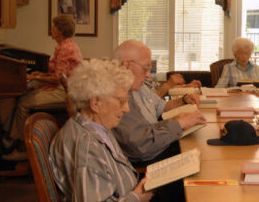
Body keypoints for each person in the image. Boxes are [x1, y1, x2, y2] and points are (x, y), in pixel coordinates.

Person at [111, 40, 206, 202]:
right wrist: (178, 123)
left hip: (154, 146)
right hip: (146, 160)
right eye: (146, 68)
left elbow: (159, 110)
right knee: (199, 172)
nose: (148, 74)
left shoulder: (137, 86)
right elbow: (139, 145)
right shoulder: (118, 95)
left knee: (199, 155)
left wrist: (181, 111)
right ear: (126, 65)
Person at [49, 59, 153, 202]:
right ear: (95, 103)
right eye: (121, 101)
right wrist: (136, 197)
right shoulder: (87, 149)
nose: (127, 109)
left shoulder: (96, 127)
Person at [2, 15, 83, 161]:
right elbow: (56, 72)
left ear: (59, 30)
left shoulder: (66, 48)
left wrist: (34, 78)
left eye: (53, 26)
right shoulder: (65, 45)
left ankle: (22, 149)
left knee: (23, 103)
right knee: (24, 96)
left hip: (66, 93)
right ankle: (10, 138)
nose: (51, 29)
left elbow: (58, 79)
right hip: (64, 89)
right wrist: (40, 73)